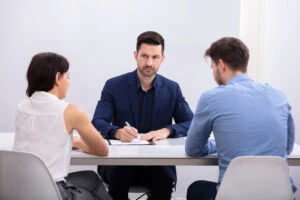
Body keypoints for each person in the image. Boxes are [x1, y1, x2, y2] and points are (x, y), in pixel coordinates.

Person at [185, 37, 297, 200]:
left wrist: (217, 145)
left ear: (221, 65)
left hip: (232, 196)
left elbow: (193, 149)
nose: (213, 72)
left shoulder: (211, 98)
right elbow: (287, 148)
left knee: (196, 189)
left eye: (213, 67)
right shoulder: (279, 96)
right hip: (280, 196)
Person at [92, 31, 193, 200]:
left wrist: (168, 130)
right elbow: (97, 121)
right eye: (144, 56)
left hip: (157, 163)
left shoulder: (172, 89)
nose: (149, 62)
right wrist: (116, 132)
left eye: (155, 57)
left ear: (162, 58)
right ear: (135, 55)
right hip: (121, 163)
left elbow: (192, 122)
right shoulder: (114, 85)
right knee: (119, 175)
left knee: (163, 179)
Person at [13, 52, 112, 200]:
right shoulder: (70, 111)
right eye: (68, 77)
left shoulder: (21, 107)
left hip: (18, 188)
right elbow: (102, 150)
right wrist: (77, 142)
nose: (69, 82)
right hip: (51, 192)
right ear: (57, 78)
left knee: (91, 179)